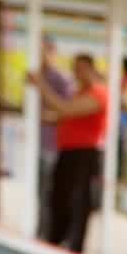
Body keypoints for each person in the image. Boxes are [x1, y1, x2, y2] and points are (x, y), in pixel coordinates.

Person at [28, 53, 109, 254]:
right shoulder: (79, 92)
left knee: (76, 200)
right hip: (68, 152)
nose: (76, 72)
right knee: (58, 197)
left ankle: (73, 245)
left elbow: (67, 109)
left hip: (83, 154)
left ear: (90, 68)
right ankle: (56, 238)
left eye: (80, 68)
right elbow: (64, 114)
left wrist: (41, 85)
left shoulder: (98, 92)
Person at [35, 35, 74, 238]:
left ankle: (47, 234)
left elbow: (68, 111)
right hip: (35, 143)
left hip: (50, 144)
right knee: (38, 191)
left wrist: (45, 116)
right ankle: (40, 229)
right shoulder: (34, 76)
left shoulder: (60, 79)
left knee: (47, 193)